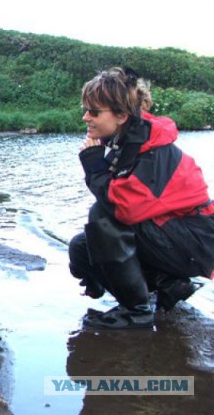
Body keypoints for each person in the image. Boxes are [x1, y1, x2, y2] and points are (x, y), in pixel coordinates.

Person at [69, 66, 214, 329]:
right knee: (81, 247)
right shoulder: (126, 142)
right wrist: (86, 270)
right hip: (172, 237)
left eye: (94, 111)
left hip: (197, 244)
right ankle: (167, 286)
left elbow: (123, 210)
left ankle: (136, 312)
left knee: (100, 216)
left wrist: (93, 167)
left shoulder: (152, 150)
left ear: (122, 115)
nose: (86, 118)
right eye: (86, 110)